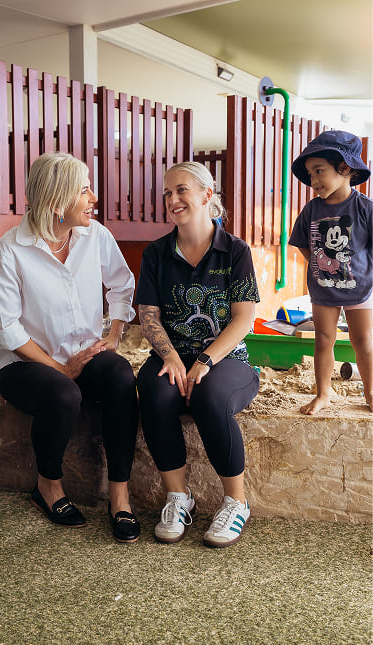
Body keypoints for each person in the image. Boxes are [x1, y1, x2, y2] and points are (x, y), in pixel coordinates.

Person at [0, 152, 140, 543]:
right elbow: (7, 329)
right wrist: (58, 368)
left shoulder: (96, 235)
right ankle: (48, 486)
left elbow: (121, 285)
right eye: (84, 190)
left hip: (85, 353)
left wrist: (115, 336)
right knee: (63, 391)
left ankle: (119, 494)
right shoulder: (9, 251)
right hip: (22, 365)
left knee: (120, 375)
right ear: (56, 202)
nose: (94, 198)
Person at [135, 161, 260, 548]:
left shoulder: (234, 251)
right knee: (153, 391)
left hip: (227, 359)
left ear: (208, 195)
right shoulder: (156, 253)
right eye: (167, 193)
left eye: (181, 190)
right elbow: (148, 315)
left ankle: (236, 502)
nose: (173, 199)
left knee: (210, 396)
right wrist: (171, 358)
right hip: (173, 354)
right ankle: (178, 497)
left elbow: (244, 320)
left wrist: (203, 361)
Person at [289, 130, 372, 415]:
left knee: (363, 341)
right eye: (310, 174)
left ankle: (371, 392)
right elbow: (303, 244)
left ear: (345, 169)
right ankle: (324, 392)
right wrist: (321, 266)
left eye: (319, 171)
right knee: (324, 338)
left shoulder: (364, 208)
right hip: (324, 289)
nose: (313, 181)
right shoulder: (311, 210)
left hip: (360, 289)